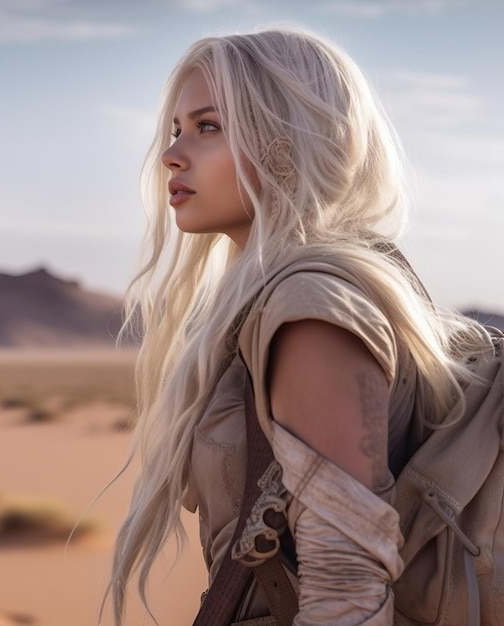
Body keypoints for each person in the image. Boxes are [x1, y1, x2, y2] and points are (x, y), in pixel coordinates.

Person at [106, 26, 492, 625]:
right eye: (177, 130)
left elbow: (348, 593)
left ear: (286, 137)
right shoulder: (272, 300)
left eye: (209, 127)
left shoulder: (311, 310)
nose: (172, 154)